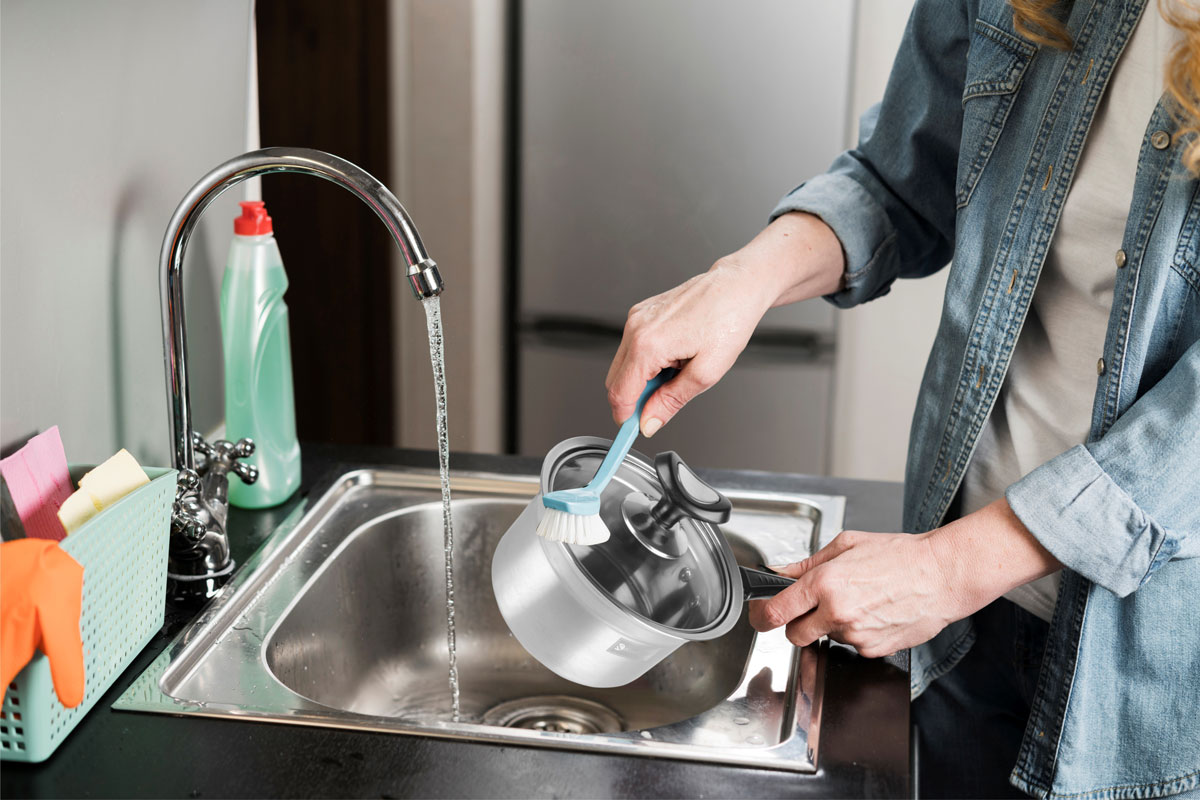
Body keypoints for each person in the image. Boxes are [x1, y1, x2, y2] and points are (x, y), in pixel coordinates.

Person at [603, 0, 1200, 797]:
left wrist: (956, 567)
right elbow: (901, 178)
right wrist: (742, 280)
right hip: (956, 624)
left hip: (1151, 672)